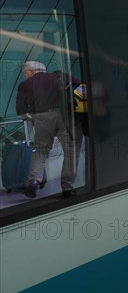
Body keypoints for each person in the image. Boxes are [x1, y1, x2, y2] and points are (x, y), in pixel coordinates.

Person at [16, 61, 80, 198]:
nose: (24, 75)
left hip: (41, 119)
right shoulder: (60, 76)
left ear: (32, 71)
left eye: (25, 73)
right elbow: (79, 86)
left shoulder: (24, 85)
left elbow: (21, 110)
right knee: (71, 151)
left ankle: (33, 182)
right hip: (64, 117)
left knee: (41, 150)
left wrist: (30, 116)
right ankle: (67, 187)